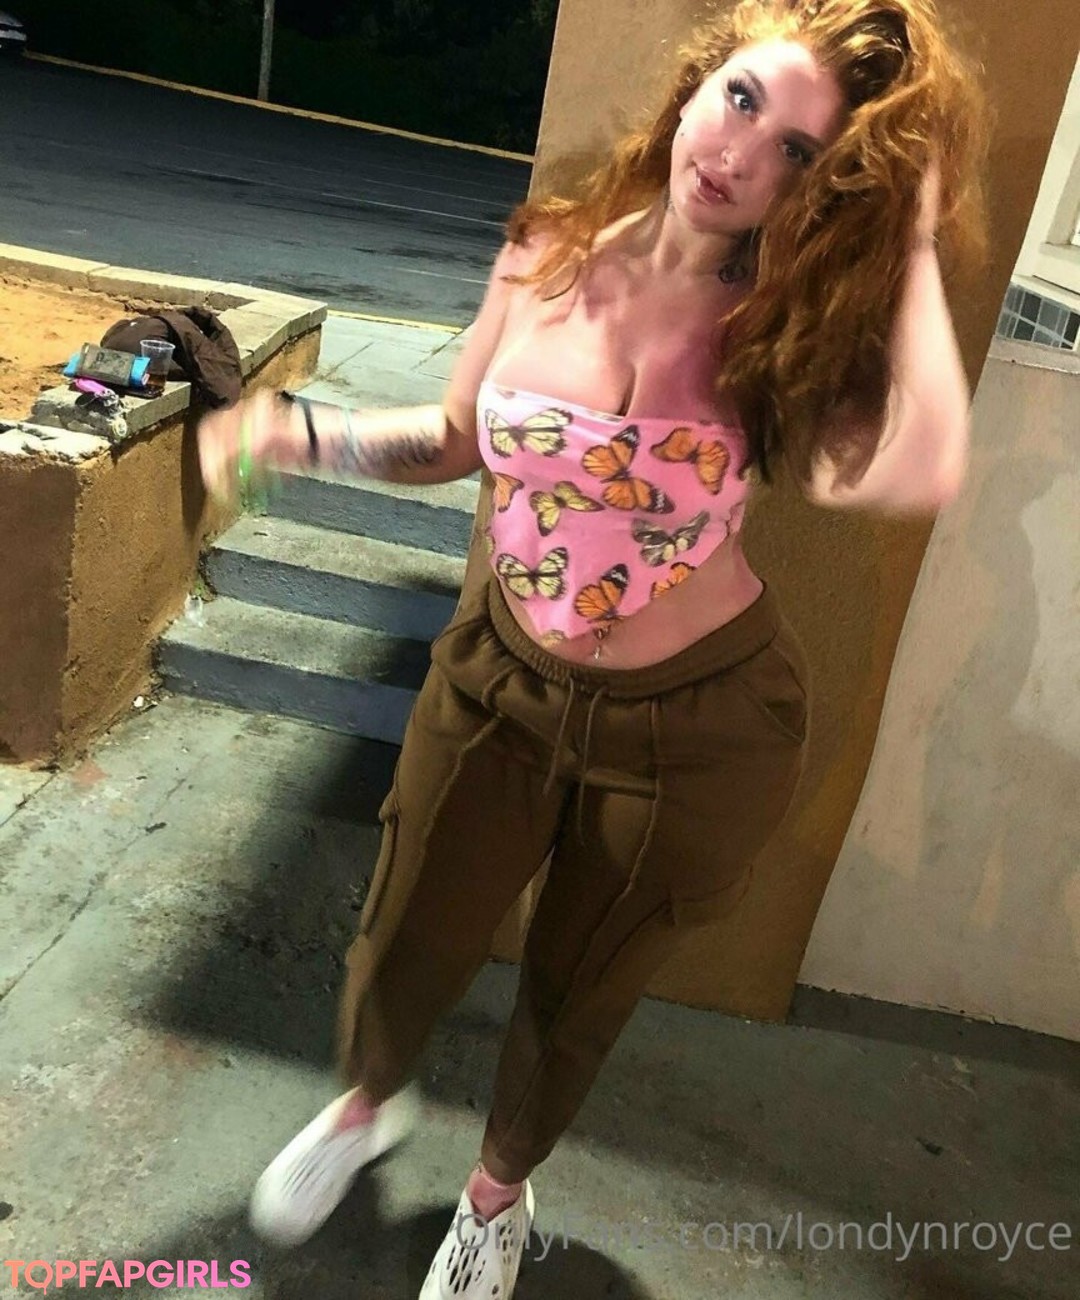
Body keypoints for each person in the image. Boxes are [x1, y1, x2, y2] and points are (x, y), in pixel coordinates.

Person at [196, 1, 988, 1294]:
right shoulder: (546, 252)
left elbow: (919, 466)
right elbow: (455, 441)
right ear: (698, 82)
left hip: (697, 724)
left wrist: (901, 233)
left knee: (581, 985)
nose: (740, 153)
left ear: (828, 184)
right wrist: (303, 434)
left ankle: (496, 1195)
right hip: (501, 675)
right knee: (405, 926)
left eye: (798, 152)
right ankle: (368, 1104)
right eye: (741, 100)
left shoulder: (787, 326)